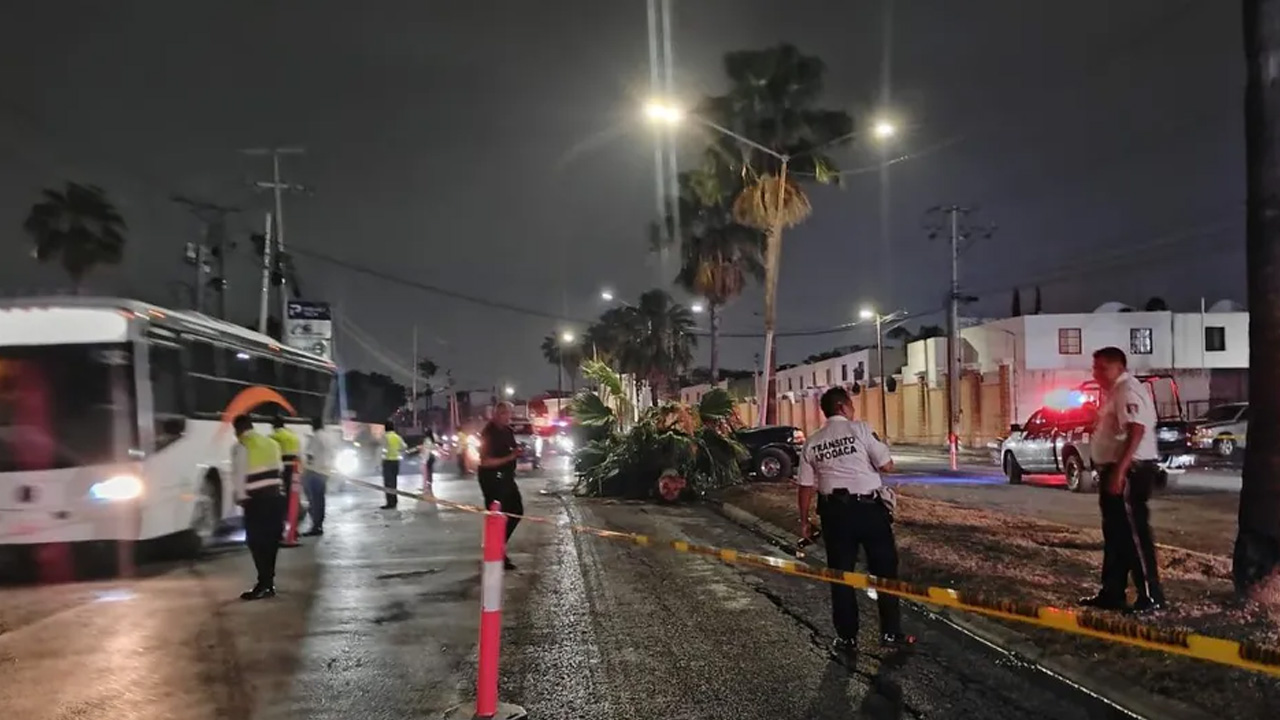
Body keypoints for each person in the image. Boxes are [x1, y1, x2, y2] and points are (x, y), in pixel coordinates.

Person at [798, 387, 915, 658]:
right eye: (850, 405)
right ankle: (891, 632)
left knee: (841, 576)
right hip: (869, 511)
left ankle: (847, 637)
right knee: (885, 571)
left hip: (834, 515)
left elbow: (805, 486)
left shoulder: (813, 442)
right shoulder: (860, 429)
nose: (853, 410)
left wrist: (804, 521)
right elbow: (887, 465)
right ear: (842, 406)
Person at [1081, 346, 1167, 613]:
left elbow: (1136, 430)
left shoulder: (1127, 390)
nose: (1096, 373)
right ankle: (1112, 592)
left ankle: (1151, 596)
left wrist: (1120, 471)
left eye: (1102, 368)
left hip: (1130, 471)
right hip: (1115, 469)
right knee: (1116, 534)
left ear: (1119, 367)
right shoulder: (1115, 392)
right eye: (1094, 368)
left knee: (1133, 534)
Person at [231, 414, 286, 600]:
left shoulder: (241, 447)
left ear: (237, 430)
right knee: (271, 542)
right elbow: (280, 469)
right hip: (276, 498)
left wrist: (240, 497)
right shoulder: (272, 444)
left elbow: (239, 475)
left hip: (256, 502)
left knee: (256, 542)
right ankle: (269, 582)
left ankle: (263, 584)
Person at [478, 401, 523, 570]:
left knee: (516, 511)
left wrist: (516, 453)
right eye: (505, 413)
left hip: (507, 477)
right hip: (492, 479)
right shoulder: (488, 433)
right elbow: (485, 461)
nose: (508, 417)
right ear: (497, 414)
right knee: (497, 516)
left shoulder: (507, 431)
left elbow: (511, 450)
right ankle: (496, 552)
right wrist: (510, 457)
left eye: (510, 413)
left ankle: (497, 545)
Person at [269, 416, 302, 541]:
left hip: (284, 471)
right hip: (296, 471)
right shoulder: (293, 436)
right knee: (294, 500)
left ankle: (281, 530)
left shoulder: (274, 437)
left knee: (281, 501)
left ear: (274, 426)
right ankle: (294, 529)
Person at [301, 417, 331, 536]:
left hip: (314, 472)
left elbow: (310, 455)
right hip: (325, 472)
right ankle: (319, 525)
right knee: (320, 500)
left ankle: (315, 526)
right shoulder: (327, 437)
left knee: (313, 501)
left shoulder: (315, 438)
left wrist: (305, 468)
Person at [380, 420, 406, 509]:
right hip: (396, 461)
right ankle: (394, 500)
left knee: (388, 483)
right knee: (394, 482)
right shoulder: (397, 437)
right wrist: (397, 451)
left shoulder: (385, 437)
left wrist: (382, 458)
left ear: (385, 428)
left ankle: (390, 503)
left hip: (388, 461)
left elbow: (383, 449)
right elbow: (404, 447)